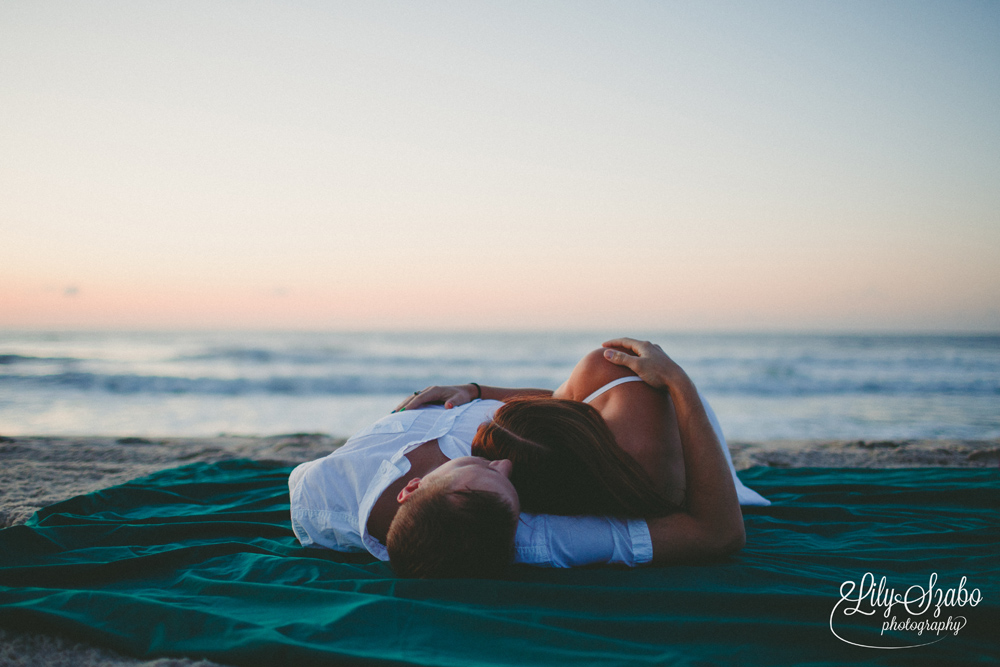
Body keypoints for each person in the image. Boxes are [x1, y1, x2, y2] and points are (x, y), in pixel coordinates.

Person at [289, 338, 768, 578]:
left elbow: (551, 407)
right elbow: (718, 534)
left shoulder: (321, 489)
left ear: (411, 488)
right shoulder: (520, 534)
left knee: (605, 365)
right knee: (617, 366)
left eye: (481, 468)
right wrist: (679, 383)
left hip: (554, 419)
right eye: (506, 483)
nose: (503, 467)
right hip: (635, 448)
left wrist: (474, 390)